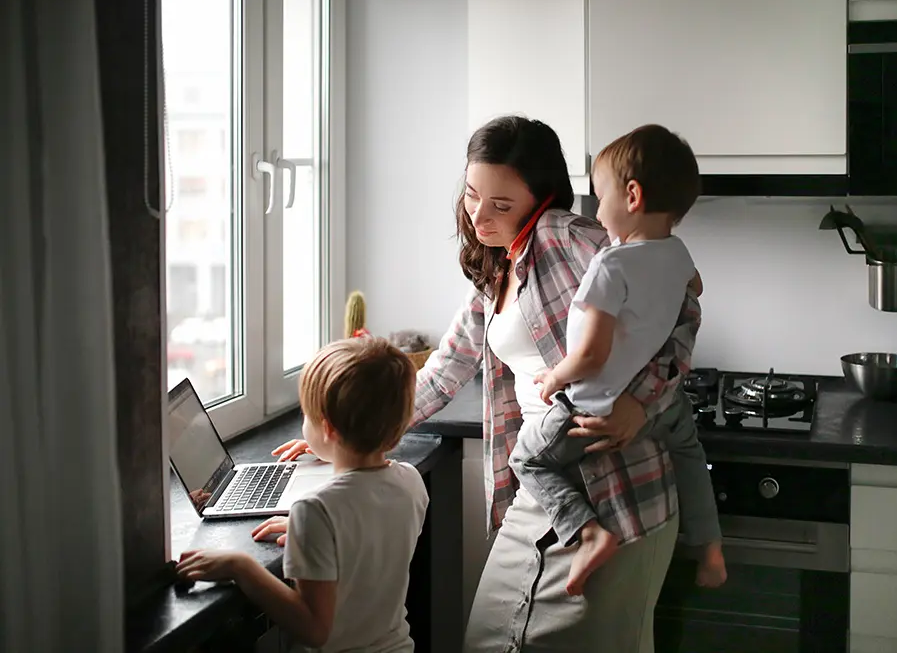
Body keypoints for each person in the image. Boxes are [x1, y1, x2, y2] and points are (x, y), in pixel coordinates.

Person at [275, 116, 712, 652]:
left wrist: (642, 407)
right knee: (490, 638)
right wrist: (341, 431)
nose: (480, 216)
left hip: (615, 490)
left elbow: (682, 303)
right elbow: (441, 372)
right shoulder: (497, 274)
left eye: (501, 206)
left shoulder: (565, 235)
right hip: (548, 485)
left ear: (541, 201)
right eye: (472, 195)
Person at [512, 123, 725, 597]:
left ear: (631, 196)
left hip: (596, 408)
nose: (595, 209)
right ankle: (710, 547)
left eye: (599, 195)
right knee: (691, 455)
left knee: (526, 459)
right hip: (661, 407)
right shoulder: (678, 253)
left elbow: (590, 355)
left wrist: (554, 376)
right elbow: (697, 291)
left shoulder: (609, 265)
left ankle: (590, 534)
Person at [177, 338, 428, 653]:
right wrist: (311, 533)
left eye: (306, 415)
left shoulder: (315, 511)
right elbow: (365, 534)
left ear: (328, 429)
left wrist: (242, 566)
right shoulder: (411, 482)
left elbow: (314, 629)